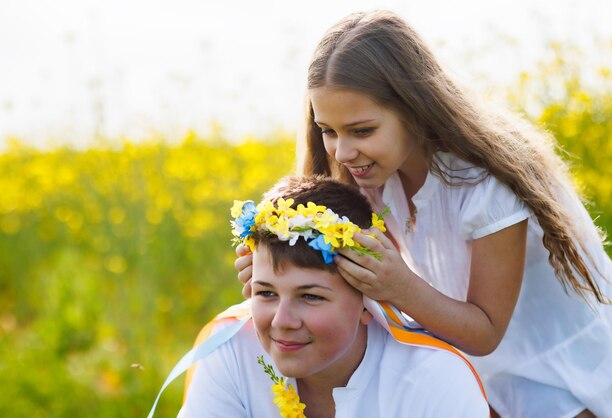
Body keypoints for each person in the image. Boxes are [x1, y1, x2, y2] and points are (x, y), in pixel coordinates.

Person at [234, 10, 612, 418]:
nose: (343, 152)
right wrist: (275, 274)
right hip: (456, 356)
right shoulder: (371, 174)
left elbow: (485, 332)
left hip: (547, 369)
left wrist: (399, 286)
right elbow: (348, 282)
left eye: (362, 130)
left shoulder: (484, 186)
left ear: (414, 110)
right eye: (329, 131)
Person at [180, 175, 490, 418]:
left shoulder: (436, 380)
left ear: (368, 303)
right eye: (266, 292)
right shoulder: (228, 350)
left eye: (311, 297)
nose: (282, 321)